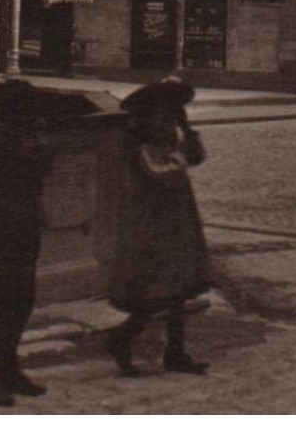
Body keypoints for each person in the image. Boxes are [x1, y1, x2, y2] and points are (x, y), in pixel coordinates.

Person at [105, 77, 212, 376]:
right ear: (150, 117)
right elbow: (166, 171)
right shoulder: (141, 146)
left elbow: (196, 157)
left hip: (176, 215)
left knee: (179, 286)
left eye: (172, 112)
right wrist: (178, 151)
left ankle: (175, 352)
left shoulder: (168, 137)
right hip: (152, 219)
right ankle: (120, 339)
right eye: (163, 114)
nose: (168, 120)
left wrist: (188, 130)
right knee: (154, 287)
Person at [0, 82, 57, 407]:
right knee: (7, 301)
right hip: (7, 227)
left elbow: (44, 164)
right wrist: (38, 139)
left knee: (22, 300)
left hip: (25, 224)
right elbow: (37, 163)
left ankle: (8, 367)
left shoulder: (15, 137)